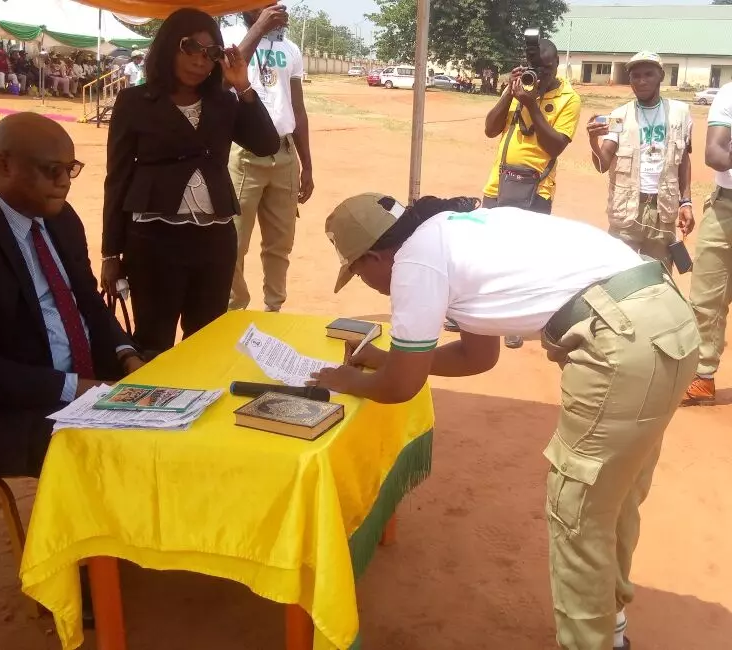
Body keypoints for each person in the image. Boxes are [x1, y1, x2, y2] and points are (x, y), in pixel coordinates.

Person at [311, 194, 699, 650]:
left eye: (358, 271)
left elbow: (401, 388)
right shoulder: (456, 230)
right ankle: (608, 629)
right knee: (613, 494)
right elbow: (478, 356)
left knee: (576, 510)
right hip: (665, 319)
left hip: (622, 340)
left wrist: (345, 380)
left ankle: (588, 642)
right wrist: (383, 359)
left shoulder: (414, 263)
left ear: (375, 256)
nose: (366, 282)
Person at [0, 113, 142, 479]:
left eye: (71, 169)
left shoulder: (61, 218)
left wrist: (126, 355)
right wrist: (79, 389)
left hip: (82, 380)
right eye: (52, 170)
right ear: (4, 165)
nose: (65, 183)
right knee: (117, 448)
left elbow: (89, 302)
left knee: (182, 389)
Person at [101, 8, 279, 356]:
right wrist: (111, 252)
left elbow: (266, 143)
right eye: (190, 48)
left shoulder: (224, 102)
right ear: (169, 46)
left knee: (206, 341)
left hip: (215, 241)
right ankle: (154, 410)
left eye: (211, 53)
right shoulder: (134, 102)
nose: (200, 61)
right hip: (153, 240)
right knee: (154, 340)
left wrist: (243, 85)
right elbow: (117, 178)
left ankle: (196, 409)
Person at [477, 37, 581, 349]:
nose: (541, 74)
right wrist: (509, 93)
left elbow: (555, 145)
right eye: (535, 68)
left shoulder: (569, 100)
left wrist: (532, 105)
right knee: (490, 253)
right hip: (497, 185)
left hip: (536, 190)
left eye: (546, 69)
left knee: (524, 258)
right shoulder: (519, 87)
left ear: (557, 66)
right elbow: (490, 128)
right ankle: (482, 314)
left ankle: (516, 323)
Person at [222, 3, 314, 313]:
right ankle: (235, 311)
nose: (276, 7)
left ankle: (273, 310)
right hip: (244, 154)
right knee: (232, 243)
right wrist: (258, 28)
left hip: (284, 153)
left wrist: (307, 165)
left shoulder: (290, 48)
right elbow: (224, 81)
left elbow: (297, 108)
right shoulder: (230, 36)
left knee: (280, 244)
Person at [587, 52, 694, 269]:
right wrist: (592, 141)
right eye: (635, 76)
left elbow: (683, 160)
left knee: (658, 275)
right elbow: (602, 165)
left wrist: (686, 202)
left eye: (648, 74)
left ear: (661, 76)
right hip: (626, 210)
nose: (642, 81)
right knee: (617, 274)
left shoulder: (680, 113)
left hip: (663, 210)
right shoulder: (619, 116)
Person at [682, 81, 732, 406]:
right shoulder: (729, 94)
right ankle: (702, 377)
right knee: (706, 295)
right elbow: (715, 155)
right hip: (726, 205)